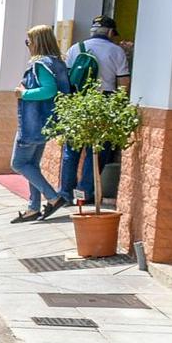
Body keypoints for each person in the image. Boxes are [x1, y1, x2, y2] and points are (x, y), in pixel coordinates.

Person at [59, 17, 125, 206]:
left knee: (71, 150)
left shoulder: (75, 48)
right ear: (111, 32)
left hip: (77, 101)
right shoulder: (116, 51)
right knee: (98, 151)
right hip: (104, 102)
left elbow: (67, 79)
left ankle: (64, 193)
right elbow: (123, 83)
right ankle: (85, 192)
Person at [11, 24, 71, 223]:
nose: (28, 45)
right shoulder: (57, 62)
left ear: (37, 42)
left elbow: (48, 90)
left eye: (29, 41)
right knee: (31, 165)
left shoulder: (40, 63)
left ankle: (53, 198)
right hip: (46, 122)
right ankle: (33, 207)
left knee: (18, 163)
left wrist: (23, 93)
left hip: (32, 122)